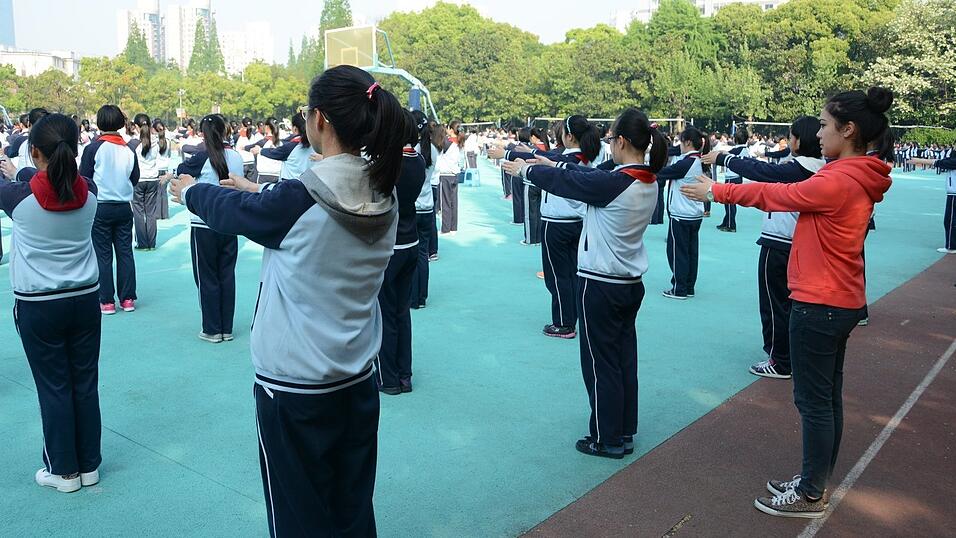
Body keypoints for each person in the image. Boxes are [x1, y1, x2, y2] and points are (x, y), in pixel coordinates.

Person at [169, 65, 409, 537]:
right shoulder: (383, 190)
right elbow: (280, 205)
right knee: (352, 508)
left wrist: (189, 190)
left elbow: (231, 211)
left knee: (298, 517)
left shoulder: (299, 200)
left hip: (295, 386)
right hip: (356, 376)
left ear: (319, 120)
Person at [681, 87, 894, 519]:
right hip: (839, 298)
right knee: (826, 398)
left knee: (815, 402)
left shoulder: (838, 179)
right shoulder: (856, 175)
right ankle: (813, 480)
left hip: (820, 302)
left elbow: (779, 195)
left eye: (824, 124)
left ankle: (811, 491)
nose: (818, 132)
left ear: (848, 130)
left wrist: (717, 191)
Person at [502, 108, 667, 458]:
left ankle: (605, 437)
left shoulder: (614, 183)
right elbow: (578, 173)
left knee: (599, 364)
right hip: (628, 283)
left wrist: (528, 169)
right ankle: (622, 430)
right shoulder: (645, 178)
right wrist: (545, 165)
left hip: (601, 284)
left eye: (611, 139)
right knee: (623, 360)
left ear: (621, 142)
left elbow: (573, 181)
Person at [2, 113, 102, 493]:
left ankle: (63, 471)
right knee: (84, 383)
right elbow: (52, 183)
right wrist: (21, 174)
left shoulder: (20, 198)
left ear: (35, 153)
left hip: (39, 305)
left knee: (54, 387)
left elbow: (24, 184)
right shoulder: (89, 192)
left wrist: (14, 172)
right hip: (84, 299)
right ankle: (88, 464)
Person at [702, 117, 826, 380]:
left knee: (774, 305)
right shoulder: (817, 168)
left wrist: (724, 160)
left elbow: (762, 172)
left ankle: (780, 359)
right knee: (788, 305)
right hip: (794, 244)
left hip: (780, 244)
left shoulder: (802, 169)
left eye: (792, 135)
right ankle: (788, 354)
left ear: (799, 140)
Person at [171, 114, 244, 343]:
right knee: (226, 275)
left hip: (203, 224)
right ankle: (226, 328)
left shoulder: (201, 157)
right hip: (229, 223)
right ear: (225, 132)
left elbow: (180, 171)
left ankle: (212, 329)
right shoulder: (236, 156)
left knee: (206, 277)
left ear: (202, 134)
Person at [377, 112, 426, 395]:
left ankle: (389, 378)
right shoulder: (417, 161)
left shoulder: (390, 163)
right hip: (410, 241)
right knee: (401, 313)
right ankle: (405, 375)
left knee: (386, 314)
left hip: (390, 244)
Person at [80, 105, 140, 315]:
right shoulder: (129, 150)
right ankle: (128, 299)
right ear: (121, 124)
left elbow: (84, 178)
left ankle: (106, 301)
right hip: (124, 207)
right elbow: (135, 178)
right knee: (125, 253)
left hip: (101, 207)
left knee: (103, 255)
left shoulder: (93, 149)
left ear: (99, 123)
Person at [658, 126, 710, 300]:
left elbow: (661, 173)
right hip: (694, 213)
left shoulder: (685, 163)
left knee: (676, 252)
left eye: (681, 141)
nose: (679, 145)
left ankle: (679, 288)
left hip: (681, 214)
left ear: (687, 142)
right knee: (690, 252)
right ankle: (688, 286)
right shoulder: (695, 160)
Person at [412, 111, 439, 309]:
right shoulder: (433, 150)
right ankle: (422, 296)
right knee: (423, 253)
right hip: (427, 206)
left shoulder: (411, 151)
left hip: (413, 206)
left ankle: (413, 297)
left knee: (412, 254)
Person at [130, 114, 168, 250]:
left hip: (139, 180)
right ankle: (152, 243)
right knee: (151, 213)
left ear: (135, 126)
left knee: (139, 213)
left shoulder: (133, 144)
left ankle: (142, 243)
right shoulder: (156, 142)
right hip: (153, 179)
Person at [908, 152, 956, 253]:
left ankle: (951, 246)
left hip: (954, 194)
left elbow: (941, 162)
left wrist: (920, 161)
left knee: (950, 221)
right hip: (952, 193)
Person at [716, 128, 751, 232]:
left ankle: (731, 224)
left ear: (735, 139)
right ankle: (726, 221)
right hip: (737, 177)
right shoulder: (745, 149)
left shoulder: (737, 150)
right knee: (728, 202)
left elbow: (727, 153)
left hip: (732, 178)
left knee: (730, 202)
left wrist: (721, 152)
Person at [438, 121, 463, 235]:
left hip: (446, 174)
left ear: (451, 129)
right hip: (455, 174)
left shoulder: (447, 142)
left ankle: (445, 228)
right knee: (454, 202)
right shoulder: (460, 141)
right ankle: (453, 228)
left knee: (446, 203)